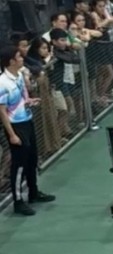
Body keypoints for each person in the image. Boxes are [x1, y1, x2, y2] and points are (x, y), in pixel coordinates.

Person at [0, 45, 56, 216]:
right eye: (19, 56)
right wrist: (12, 135)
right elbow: (2, 111)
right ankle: (18, 201)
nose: (22, 58)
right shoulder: (2, 83)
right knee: (19, 165)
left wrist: (29, 101)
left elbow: (18, 101)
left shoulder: (18, 76)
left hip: (27, 121)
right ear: (11, 61)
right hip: (16, 127)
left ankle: (33, 192)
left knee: (32, 160)